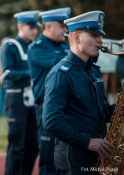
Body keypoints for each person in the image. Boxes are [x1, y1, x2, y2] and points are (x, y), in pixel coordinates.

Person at [43, 11, 115, 174]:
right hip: (74, 157)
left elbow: (100, 112)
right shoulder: (60, 74)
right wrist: (88, 142)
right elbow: (51, 121)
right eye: (93, 35)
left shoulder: (94, 71)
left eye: (100, 35)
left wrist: (117, 110)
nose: (100, 40)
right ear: (75, 37)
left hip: (97, 154)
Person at [27, 7, 71, 175]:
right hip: (47, 108)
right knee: (49, 160)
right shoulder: (37, 48)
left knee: (67, 159)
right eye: (62, 26)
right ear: (50, 26)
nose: (65, 30)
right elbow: (64, 64)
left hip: (68, 108)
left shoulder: (65, 46)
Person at [0, 10, 40, 175]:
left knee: (33, 144)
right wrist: (33, 74)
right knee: (17, 145)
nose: (34, 30)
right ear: (20, 26)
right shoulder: (10, 46)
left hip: (32, 99)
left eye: (35, 27)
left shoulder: (34, 46)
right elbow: (8, 73)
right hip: (16, 98)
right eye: (30, 27)